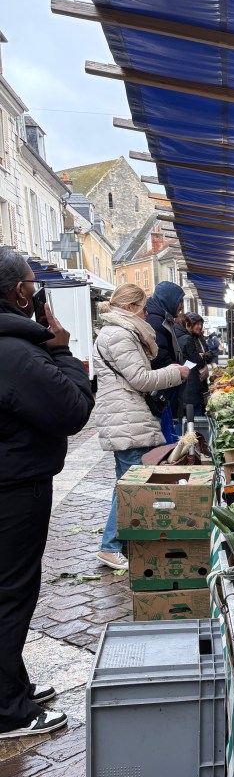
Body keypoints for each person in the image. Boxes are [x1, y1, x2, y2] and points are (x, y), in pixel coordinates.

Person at [0, 247, 94, 738]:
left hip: (12, 479)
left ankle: (13, 687)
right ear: (21, 292)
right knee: (12, 594)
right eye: (33, 285)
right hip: (14, 488)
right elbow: (72, 410)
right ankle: (8, 710)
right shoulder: (16, 352)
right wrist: (61, 349)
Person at [94, 283, 189, 570]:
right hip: (127, 419)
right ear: (129, 308)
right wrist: (175, 373)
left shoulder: (119, 332)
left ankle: (119, 543)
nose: (147, 314)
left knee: (125, 484)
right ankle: (110, 547)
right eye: (143, 308)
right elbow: (140, 379)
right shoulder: (119, 335)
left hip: (127, 419)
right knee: (131, 487)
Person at [146, 280, 185, 424]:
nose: (181, 306)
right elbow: (159, 357)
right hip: (162, 389)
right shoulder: (156, 321)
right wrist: (178, 372)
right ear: (169, 299)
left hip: (165, 385)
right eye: (180, 301)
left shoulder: (163, 318)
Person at [181, 311, 212, 418]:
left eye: (200, 324)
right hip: (193, 378)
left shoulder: (200, 337)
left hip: (202, 379)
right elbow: (194, 359)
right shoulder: (189, 338)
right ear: (190, 324)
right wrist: (201, 357)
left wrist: (206, 355)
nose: (199, 327)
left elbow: (206, 352)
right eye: (197, 324)